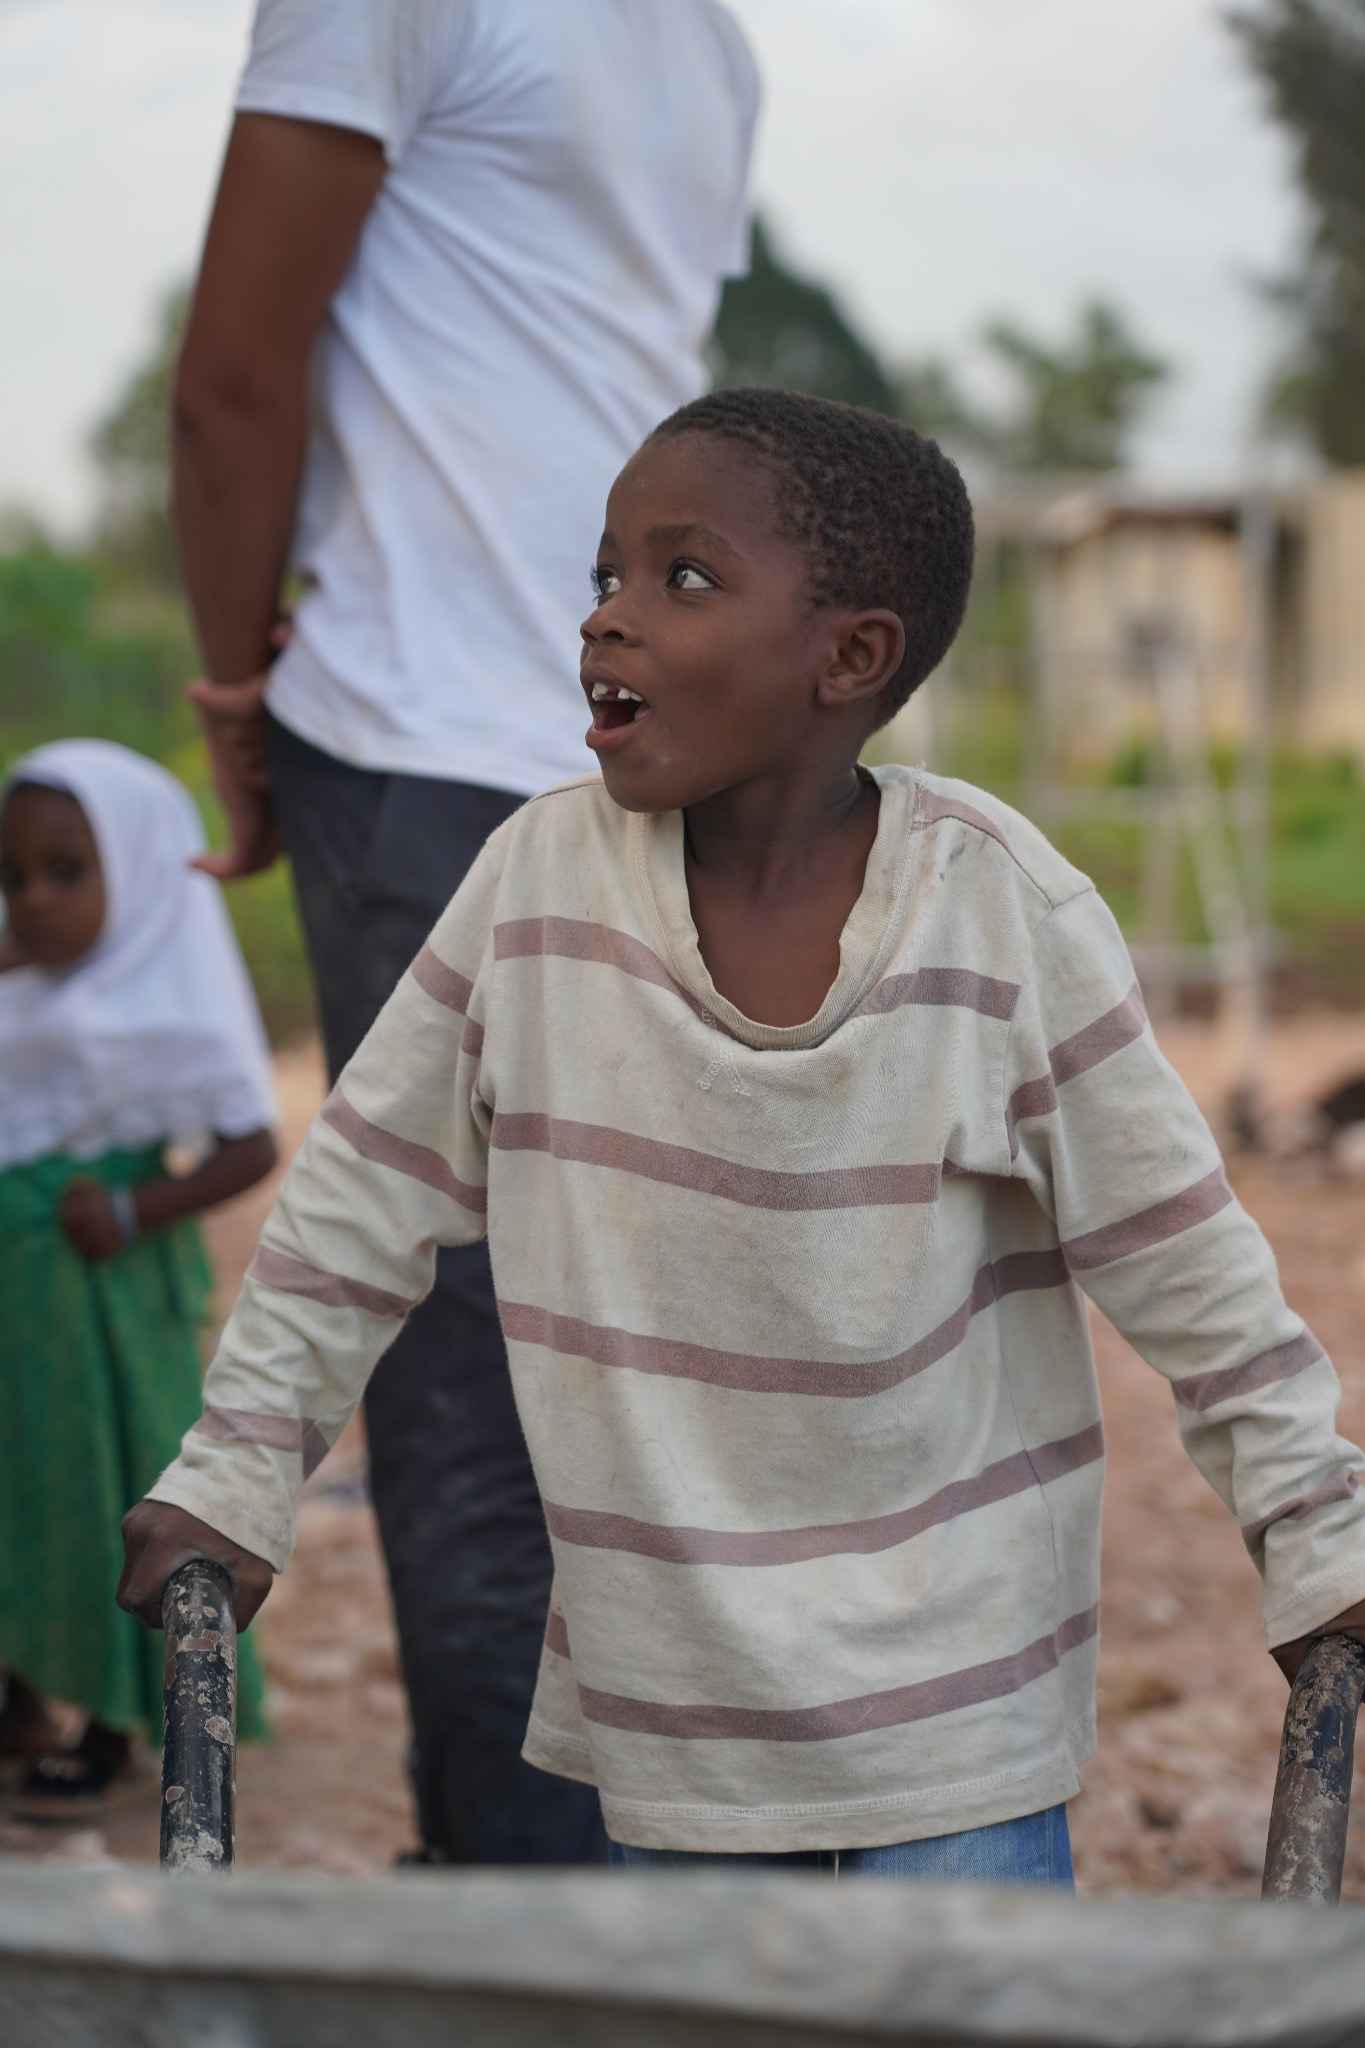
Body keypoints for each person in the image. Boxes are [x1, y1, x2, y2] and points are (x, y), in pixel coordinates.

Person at [122, 388, 1365, 1879]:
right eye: (604, 576)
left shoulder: (995, 915)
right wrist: (238, 1470)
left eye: (682, 578)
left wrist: (1318, 1532)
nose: (609, 622)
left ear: (849, 657)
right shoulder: (536, 894)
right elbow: (351, 1215)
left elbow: (1190, 1271)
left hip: (956, 1719)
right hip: (677, 1727)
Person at [170, 0, 759, 1866]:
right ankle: (662, 1910)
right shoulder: (708, 42)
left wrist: (231, 706)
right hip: (671, 753)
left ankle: (533, 1939)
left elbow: (233, 380)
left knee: (476, 1388)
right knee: (649, 1372)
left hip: (427, 747)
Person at [0, 741, 276, 1811]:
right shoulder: (18, 987)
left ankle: (119, 1716)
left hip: (99, 1292)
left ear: (144, 868)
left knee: (110, 1481)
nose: (33, 898)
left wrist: (131, 1208)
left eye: (67, 870)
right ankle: (21, 1688)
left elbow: (249, 1143)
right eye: (12, 873)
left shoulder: (164, 1009)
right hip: (20, 1294)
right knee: (23, 1484)